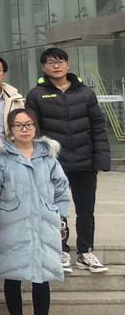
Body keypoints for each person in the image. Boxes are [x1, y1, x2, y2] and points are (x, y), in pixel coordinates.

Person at [0, 108, 71, 315]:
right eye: (19, 125)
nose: (24, 129)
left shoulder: (48, 157)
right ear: (10, 129)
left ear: (36, 127)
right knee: (12, 276)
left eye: (29, 124)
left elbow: (62, 189)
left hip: (44, 223)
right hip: (11, 223)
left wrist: (61, 218)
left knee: (42, 276)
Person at [26, 47, 110, 274]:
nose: (56, 65)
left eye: (60, 61)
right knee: (55, 210)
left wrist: (101, 159)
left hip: (85, 161)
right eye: (51, 62)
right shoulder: (36, 94)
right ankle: (61, 251)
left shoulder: (85, 93)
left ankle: (85, 252)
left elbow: (98, 127)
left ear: (68, 64)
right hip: (54, 163)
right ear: (43, 67)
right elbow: (33, 131)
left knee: (86, 210)